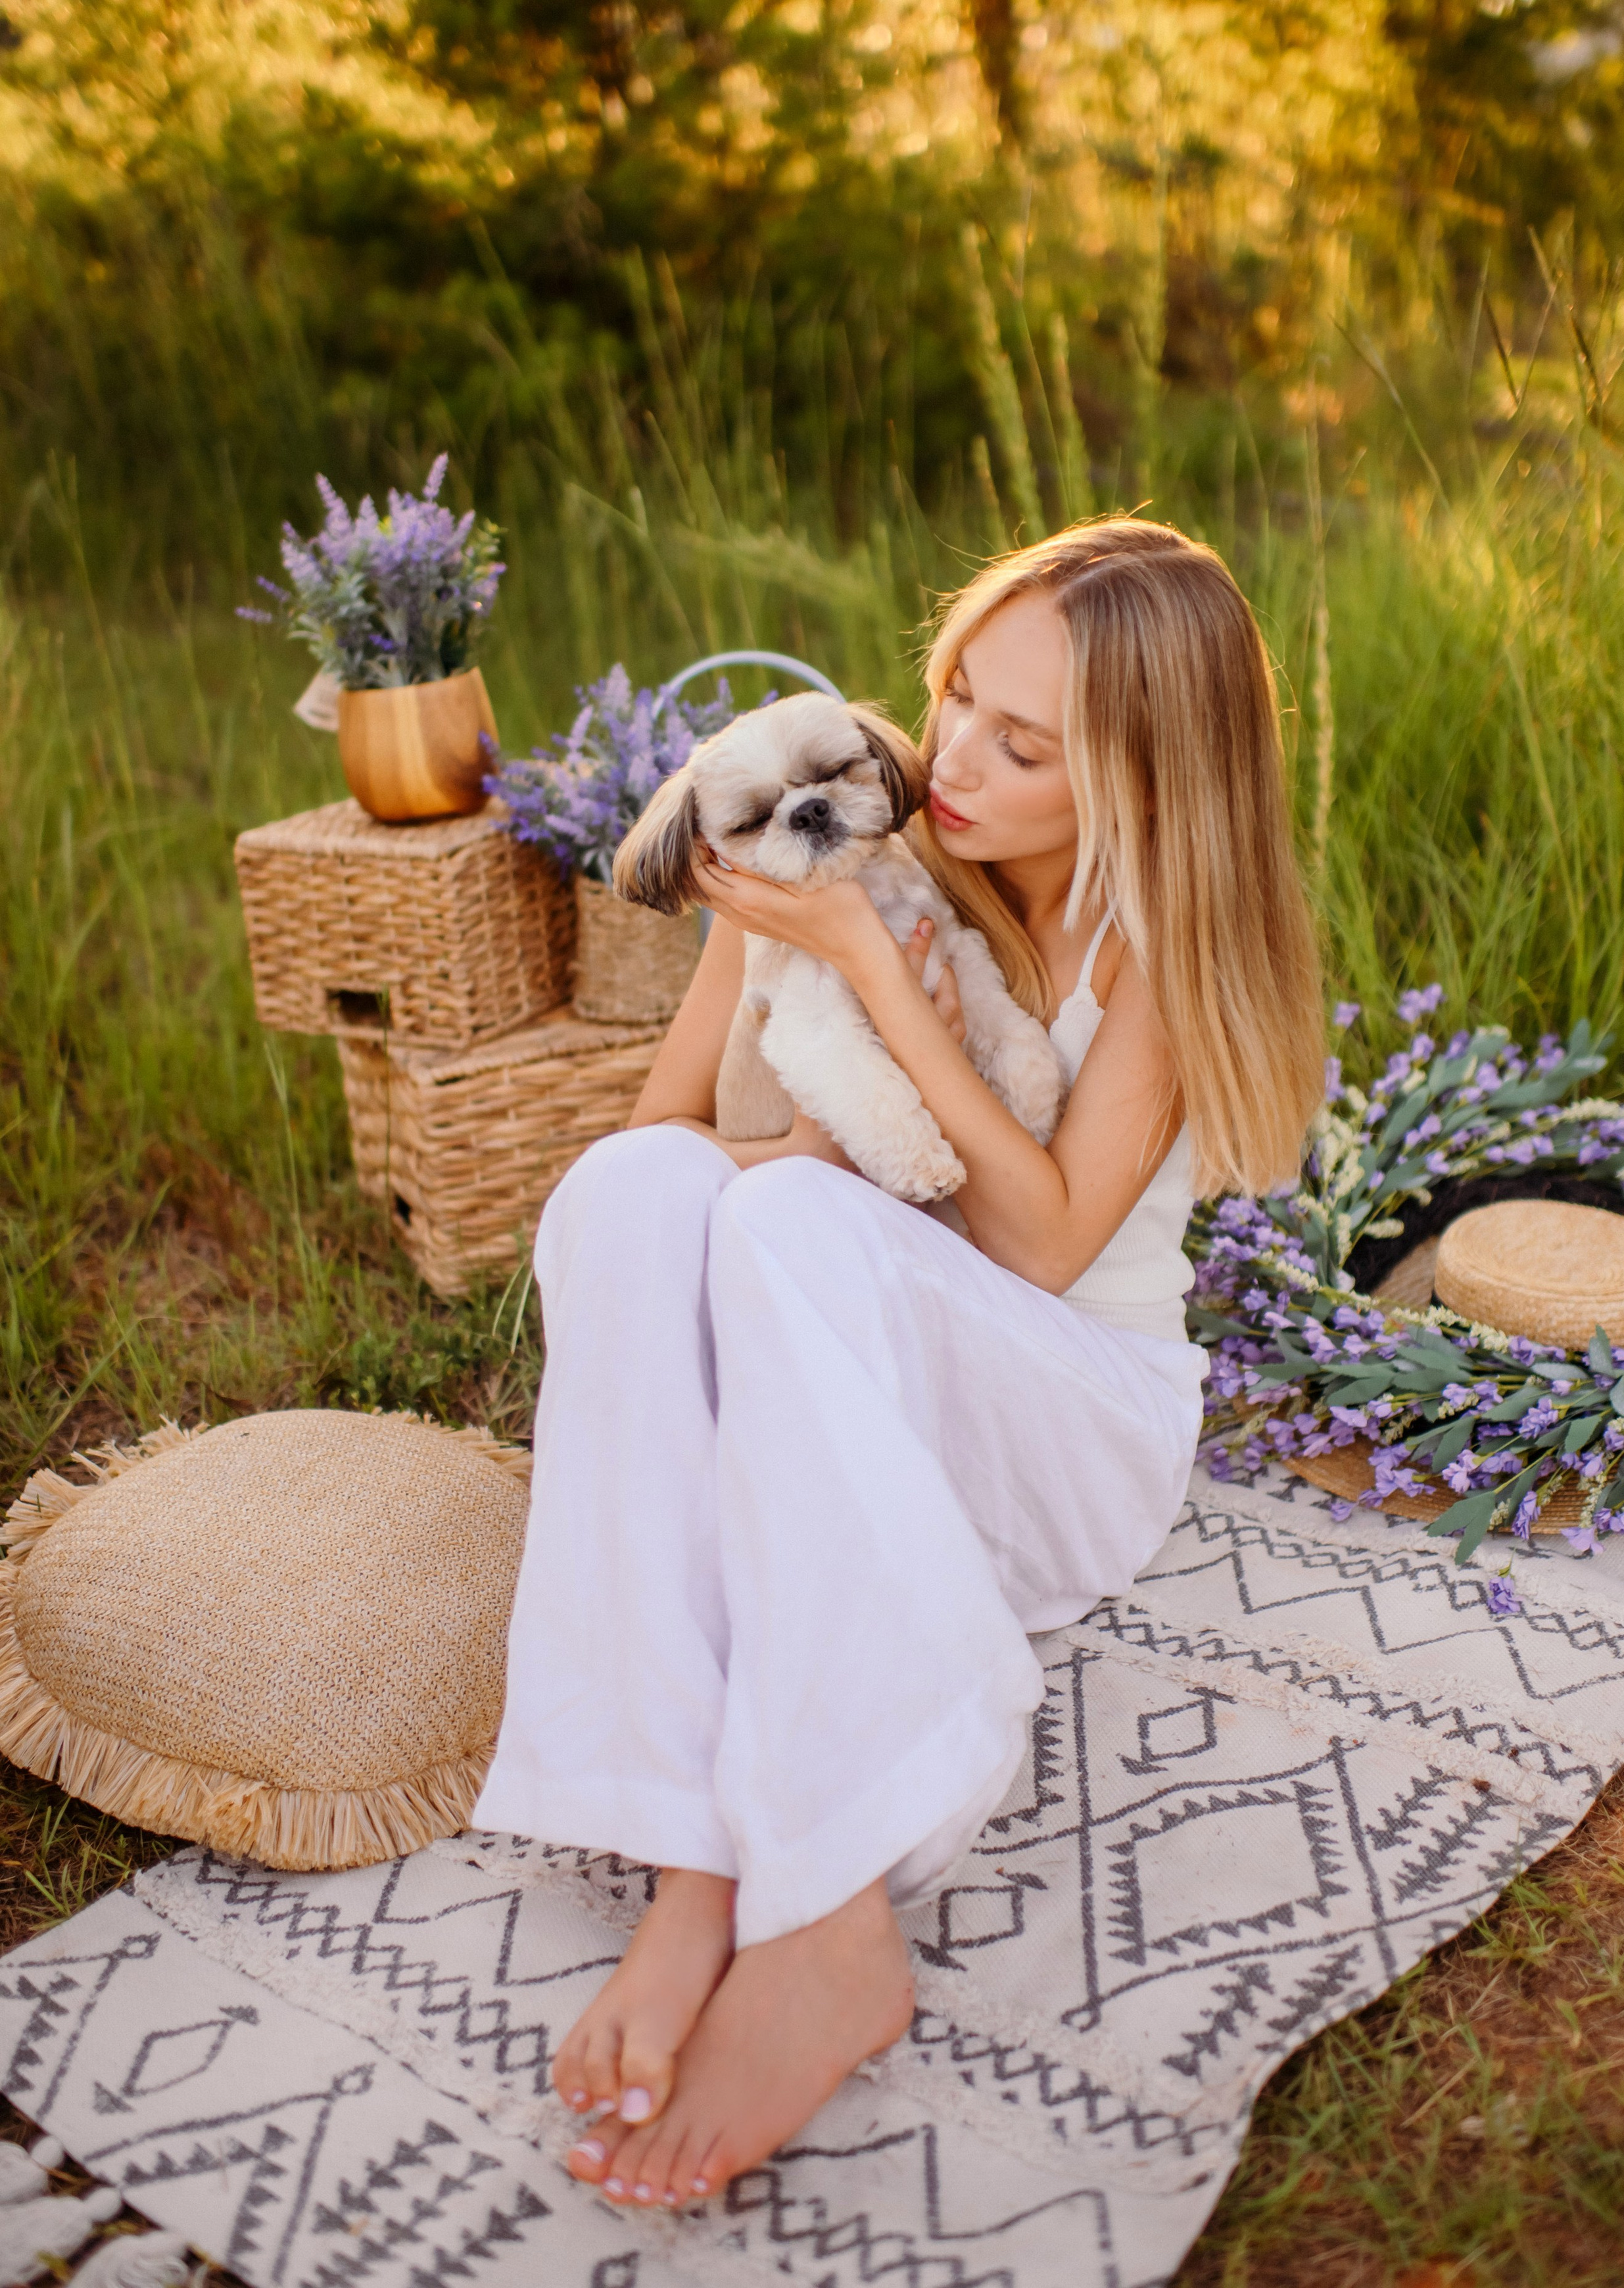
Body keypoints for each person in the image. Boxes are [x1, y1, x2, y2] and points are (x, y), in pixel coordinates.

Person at [471, 517, 1325, 2212]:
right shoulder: (837, 815)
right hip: (850, 1354)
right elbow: (658, 1154)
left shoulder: (1151, 934)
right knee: (641, 1190)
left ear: (1144, 781)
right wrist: (801, 1017)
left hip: (1062, 1418)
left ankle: (832, 1916)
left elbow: (1044, 1245)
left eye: (1025, 747)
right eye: (954, 699)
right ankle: (691, 1861)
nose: (947, 764)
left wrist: (874, 973)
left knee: (789, 1225)